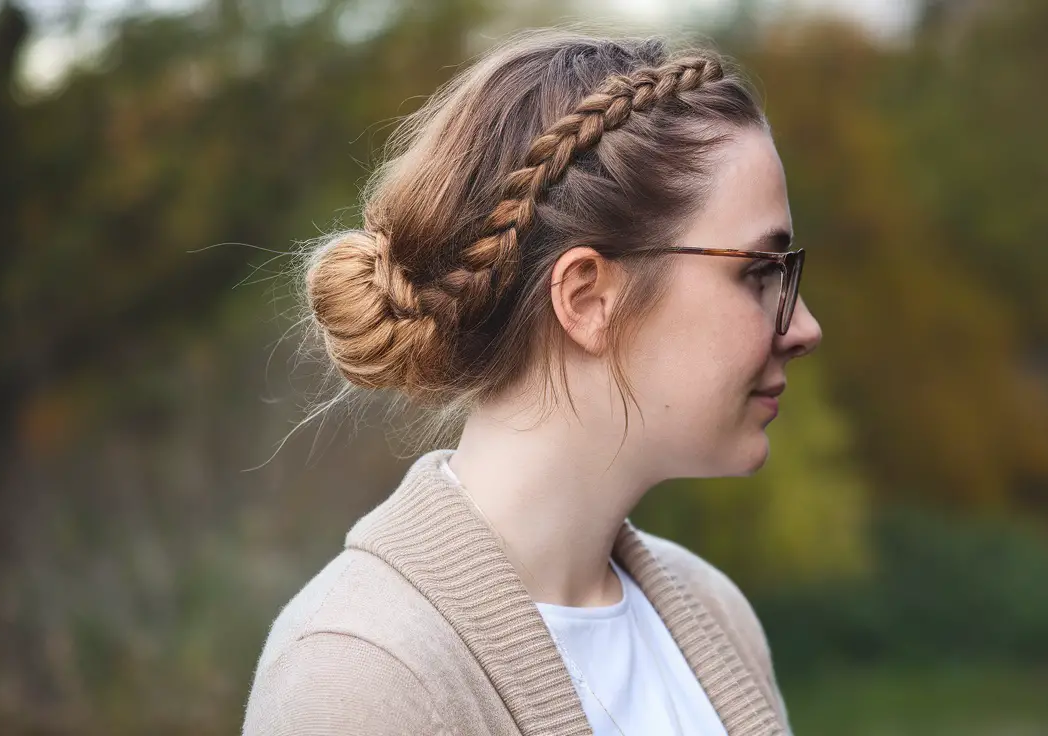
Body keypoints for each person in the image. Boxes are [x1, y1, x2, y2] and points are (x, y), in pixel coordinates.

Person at [243, 26, 821, 736]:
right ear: (586, 298)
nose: (804, 328)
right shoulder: (360, 678)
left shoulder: (714, 616)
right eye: (761, 271)